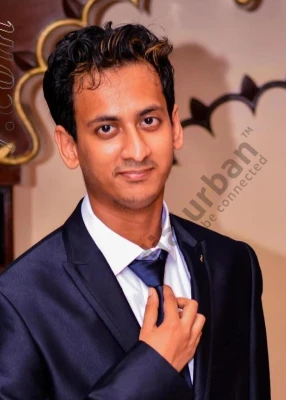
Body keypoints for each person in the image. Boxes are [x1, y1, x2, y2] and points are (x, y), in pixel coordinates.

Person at [0, 22, 270, 399]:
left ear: (175, 126)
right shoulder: (18, 298)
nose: (137, 150)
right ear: (69, 146)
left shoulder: (233, 265)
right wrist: (152, 369)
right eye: (107, 129)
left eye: (148, 121)